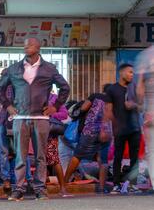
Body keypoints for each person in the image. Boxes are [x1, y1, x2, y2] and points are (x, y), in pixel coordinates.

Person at [0, 38, 70, 201]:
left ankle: (40, 189)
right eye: (24, 44)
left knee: (40, 156)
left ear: (38, 47)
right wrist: (8, 106)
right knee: (20, 156)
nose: (25, 46)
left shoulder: (49, 69)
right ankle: (19, 189)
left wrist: (55, 107)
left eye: (29, 44)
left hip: (41, 118)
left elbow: (65, 87)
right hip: (20, 117)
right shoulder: (14, 68)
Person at [63, 86, 113, 193]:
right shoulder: (114, 101)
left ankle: (64, 182)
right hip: (106, 132)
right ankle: (101, 187)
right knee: (102, 159)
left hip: (90, 131)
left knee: (77, 155)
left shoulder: (95, 96)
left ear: (103, 91)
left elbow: (83, 108)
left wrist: (79, 113)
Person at [106, 64, 142, 194]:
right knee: (118, 157)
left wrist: (134, 105)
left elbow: (142, 108)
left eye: (133, 72)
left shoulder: (135, 89)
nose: (132, 75)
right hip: (120, 130)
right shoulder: (112, 89)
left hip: (135, 129)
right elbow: (108, 111)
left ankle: (133, 184)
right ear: (121, 73)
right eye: (130, 72)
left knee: (134, 158)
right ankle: (116, 184)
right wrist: (115, 126)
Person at [46, 92, 71, 197]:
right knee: (41, 161)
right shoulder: (33, 96)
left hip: (50, 133)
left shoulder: (54, 98)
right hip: (35, 132)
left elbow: (64, 114)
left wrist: (51, 114)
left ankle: (62, 188)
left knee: (55, 160)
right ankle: (41, 190)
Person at [136, 46, 154, 191]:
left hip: (151, 112)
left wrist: (143, 108)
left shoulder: (146, 56)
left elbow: (140, 91)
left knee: (152, 151)